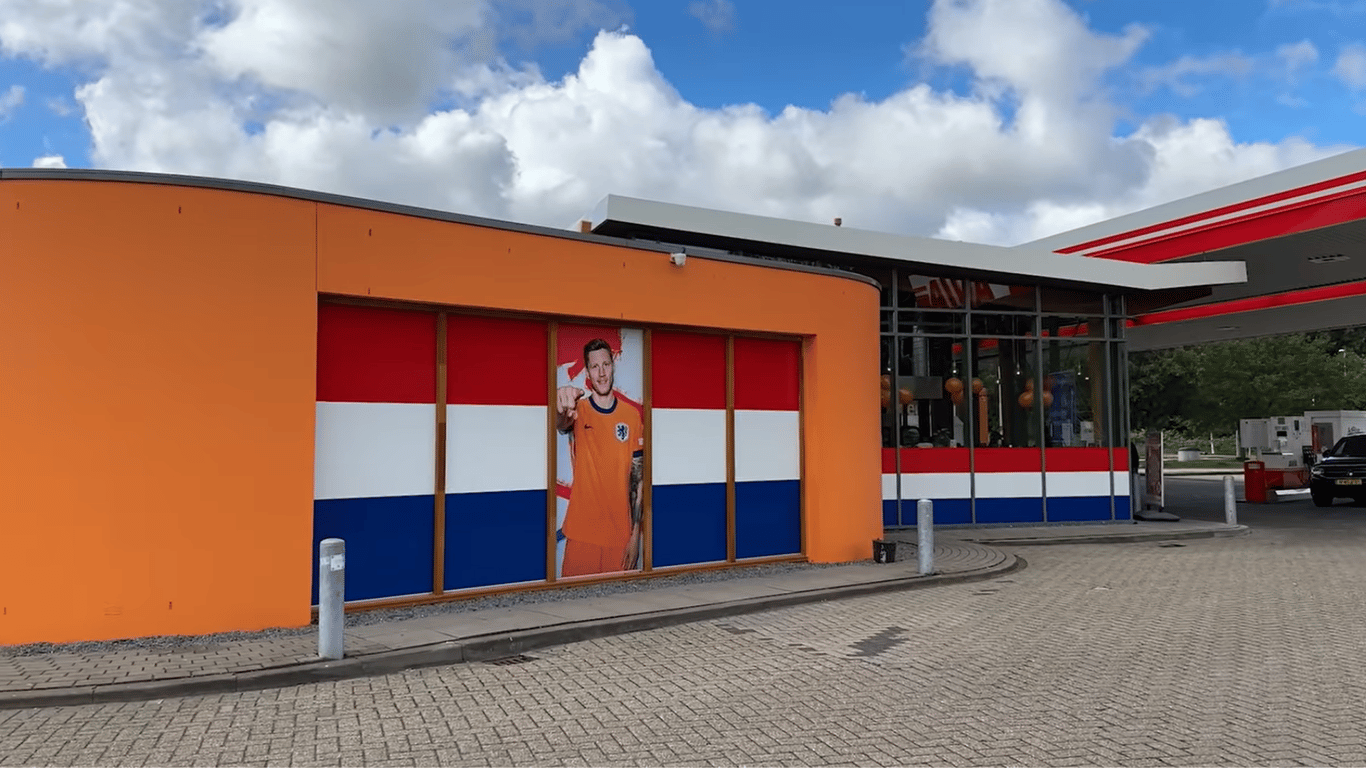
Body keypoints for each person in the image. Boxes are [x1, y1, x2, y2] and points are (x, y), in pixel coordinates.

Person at [555, 338, 645, 576]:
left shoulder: (632, 416)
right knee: (573, 608)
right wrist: (561, 403)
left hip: (620, 538)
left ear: (613, 366)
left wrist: (635, 536)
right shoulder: (578, 410)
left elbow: (638, 480)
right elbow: (561, 421)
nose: (602, 373)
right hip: (581, 535)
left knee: (620, 609)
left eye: (606, 364)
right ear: (587, 371)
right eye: (595, 367)